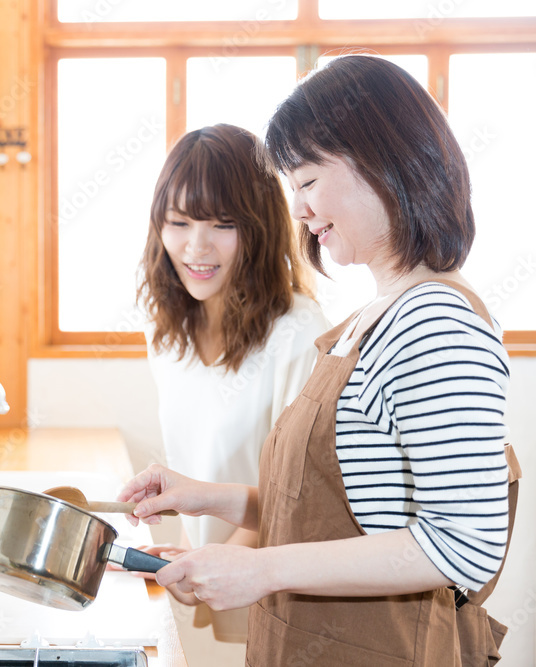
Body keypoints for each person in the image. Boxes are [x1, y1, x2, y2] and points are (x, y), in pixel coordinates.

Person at [120, 55, 520, 666]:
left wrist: (260, 567)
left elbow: (465, 544)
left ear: (382, 165)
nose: (300, 212)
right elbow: (340, 512)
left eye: (307, 182)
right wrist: (203, 496)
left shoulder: (435, 321)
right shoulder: (376, 315)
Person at [136, 124, 330, 640]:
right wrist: (184, 556)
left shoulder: (297, 333)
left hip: (272, 598)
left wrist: (212, 566)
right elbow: (192, 467)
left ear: (260, 227)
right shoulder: (167, 334)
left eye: (222, 224)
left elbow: (301, 498)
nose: (196, 247)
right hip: (205, 593)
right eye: (178, 222)